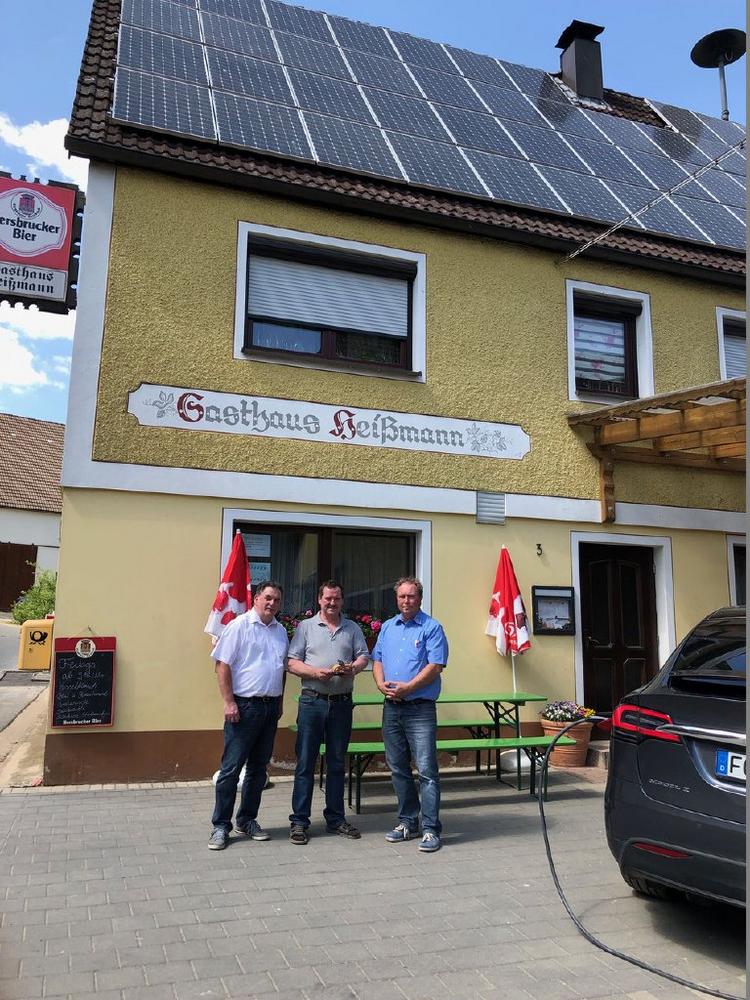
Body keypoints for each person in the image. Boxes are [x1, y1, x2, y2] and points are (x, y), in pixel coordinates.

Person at [287, 581, 370, 844]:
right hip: (312, 702)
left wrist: (353, 668)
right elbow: (291, 662)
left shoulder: (352, 628)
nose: (332, 603)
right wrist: (314, 673)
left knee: (336, 763)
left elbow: (363, 656)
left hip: (342, 704)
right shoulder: (306, 627)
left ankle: (335, 819)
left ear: (342, 601)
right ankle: (299, 822)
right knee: (305, 763)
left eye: (336, 599)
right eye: (328, 598)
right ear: (319, 600)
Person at [208, 581, 288, 850]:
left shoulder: (280, 631)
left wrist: (279, 702)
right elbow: (222, 665)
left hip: (269, 708)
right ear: (256, 599)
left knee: (257, 769)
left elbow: (280, 669)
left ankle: (247, 819)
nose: (272, 604)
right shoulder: (239, 626)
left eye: (277, 600)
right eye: (268, 598)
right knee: (231, 769)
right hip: (244, 708)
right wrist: (229, 701)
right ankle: (221, 826)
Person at [371, 576, 449, 854]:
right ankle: (407, 822)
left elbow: (436, 666)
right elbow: (377, 659)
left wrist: (408, 688)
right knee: (398, 768)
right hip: (392, 708)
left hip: (420, 710)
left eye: (411, 596)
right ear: (397, 599)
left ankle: (430, 829)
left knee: (426, 770)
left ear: (420, 598)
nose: (406, 601)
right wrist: (380, 684)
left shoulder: (432, 627)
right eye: (402, 596)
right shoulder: (388, 627)